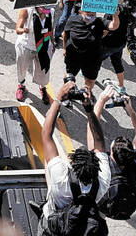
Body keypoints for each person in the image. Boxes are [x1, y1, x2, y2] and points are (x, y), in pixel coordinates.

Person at [39, 78, 111, 220]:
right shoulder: (103, 179)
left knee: (49, 164)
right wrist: (89, 109)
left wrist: (58, 98)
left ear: (73, 166)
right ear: (97, 166)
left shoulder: (61, 177)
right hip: (81, 225)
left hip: (55, 222)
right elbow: (99, 141)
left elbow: (46, 135)